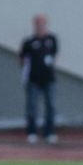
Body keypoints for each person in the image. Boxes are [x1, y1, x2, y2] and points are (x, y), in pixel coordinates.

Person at [19, 14, 58, 144]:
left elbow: (54, 55)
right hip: (33, 79)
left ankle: (49, 133)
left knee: (51, 105)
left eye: (43, 23)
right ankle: (32, 132)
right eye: (38, 23)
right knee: (32, 106)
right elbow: (22, 58)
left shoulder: (52, 39)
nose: (41, 26)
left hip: (49, 78)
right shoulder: (29, 41)